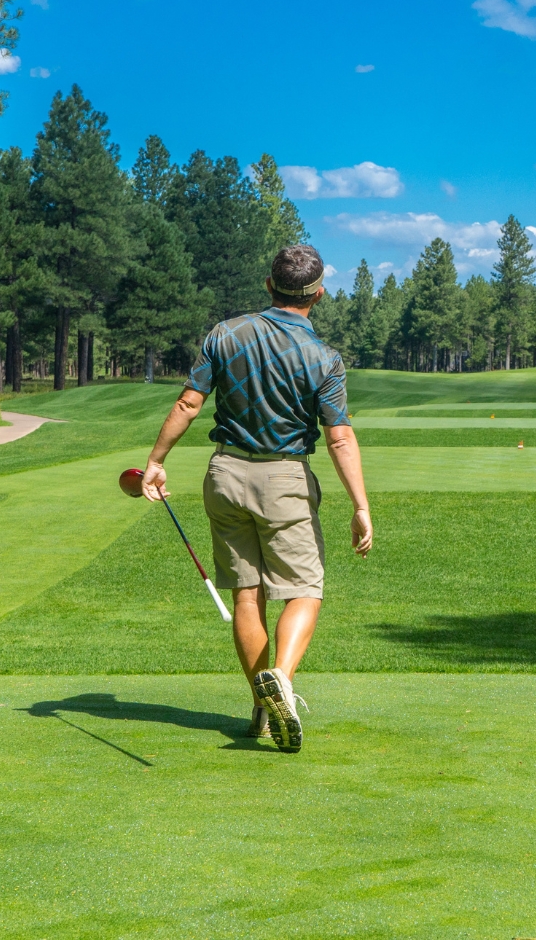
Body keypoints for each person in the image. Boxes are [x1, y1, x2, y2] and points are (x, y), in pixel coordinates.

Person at [140, 244, 372, 754]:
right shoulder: (325, 358)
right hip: (284, 478)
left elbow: (188, 402)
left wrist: (156, 460)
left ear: (269, 285)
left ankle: (263, 708)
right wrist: (360, 505)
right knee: (304, 590)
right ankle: (282, 682)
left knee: (248, 594)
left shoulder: (225, 334)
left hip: (224, 474)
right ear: (319, 292)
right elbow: (338, 438)